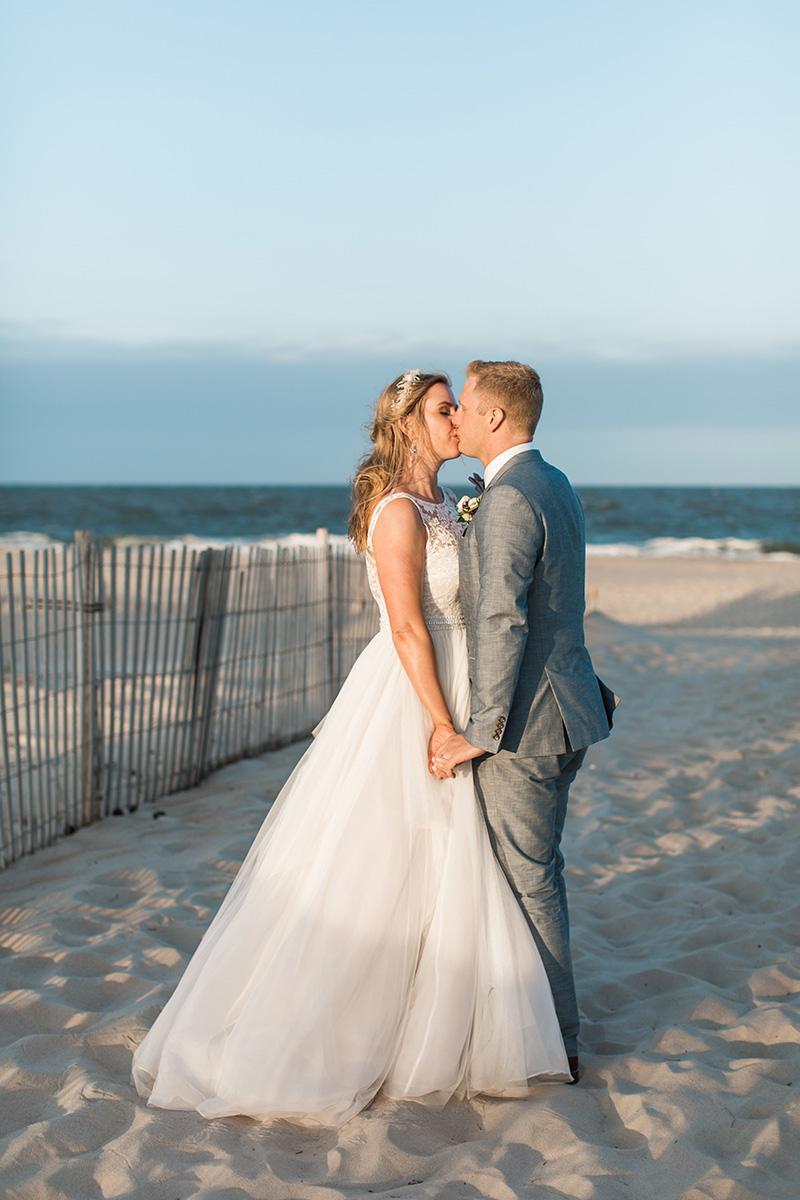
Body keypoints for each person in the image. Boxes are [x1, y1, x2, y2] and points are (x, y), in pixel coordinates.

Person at [131, 369, 571, 1128]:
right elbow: (405, 625)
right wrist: (441, 720)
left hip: (466, 687)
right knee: (387, 860)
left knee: (453, 866)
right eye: (442, 410)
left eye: (459, 408)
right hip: (417, 691)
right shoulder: (399, 511)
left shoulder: (450, 503)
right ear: (407, 426)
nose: (455, 419)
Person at [430, 360, 618, 1083]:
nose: (459, 418)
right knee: (537, 874)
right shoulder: (556, 483)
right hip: (569, 707)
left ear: (497, 418)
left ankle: (557, 1043)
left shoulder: (507, 500)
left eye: (467, 407)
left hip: (526, 727)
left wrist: (481, 731)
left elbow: (503, 619)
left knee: (530, 883)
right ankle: (534, 1029)